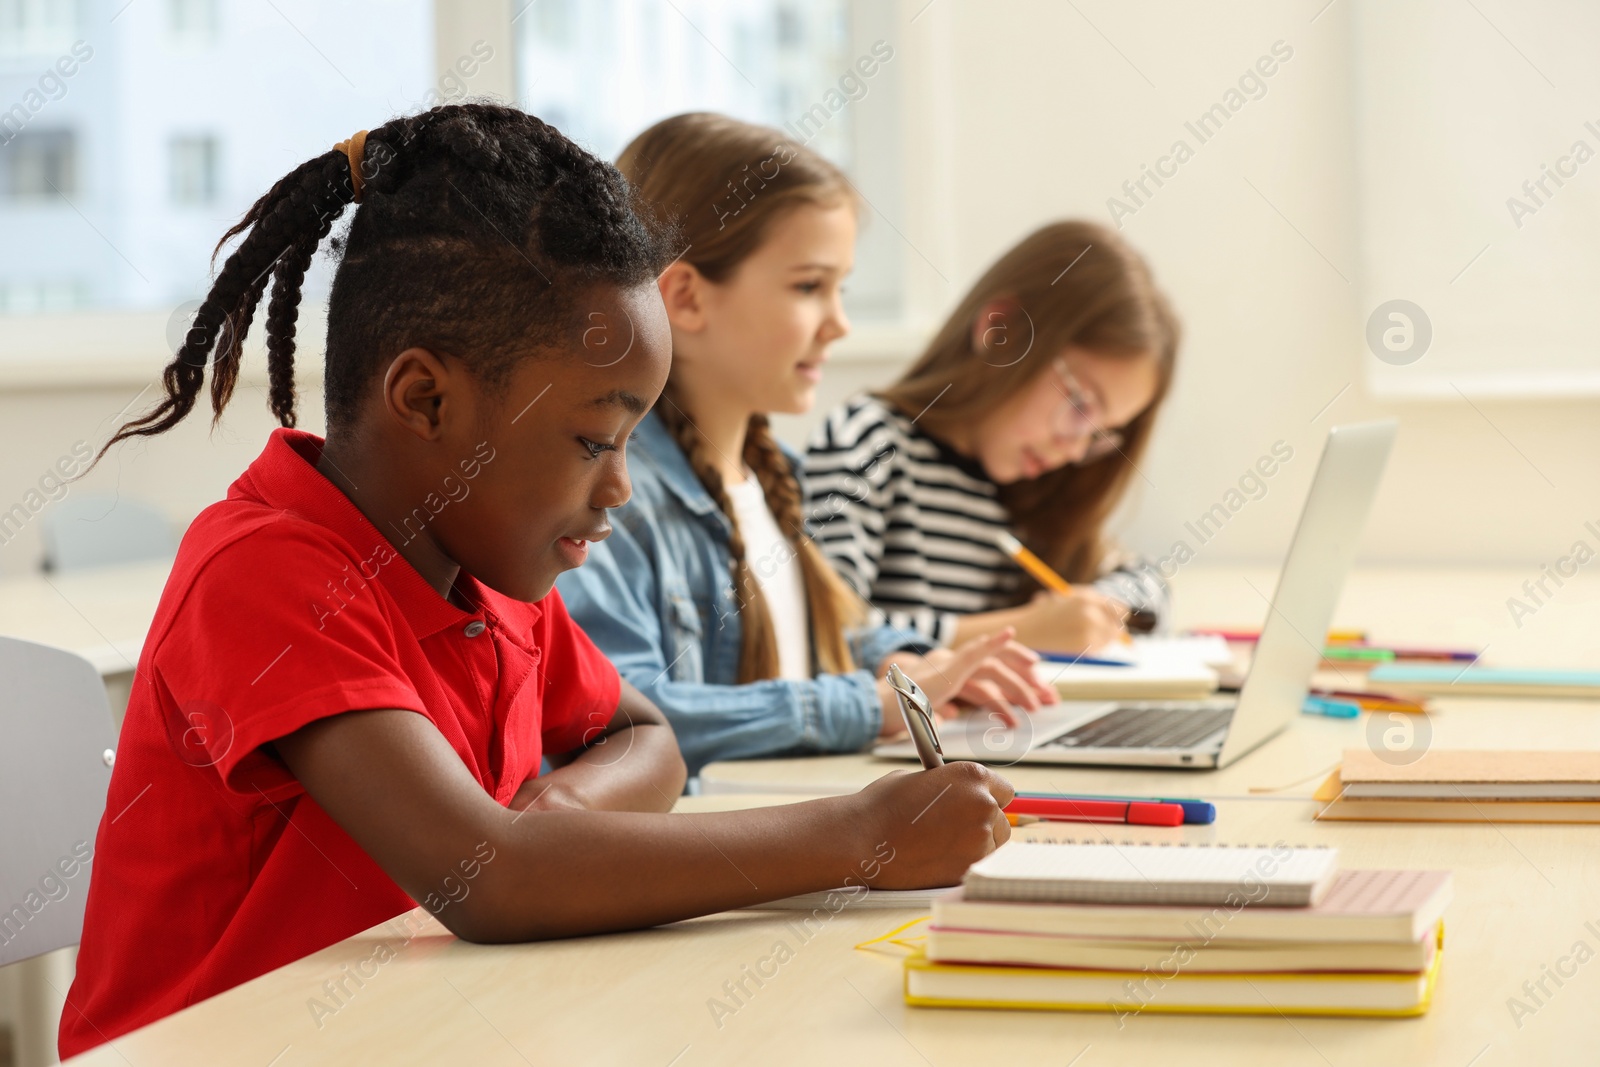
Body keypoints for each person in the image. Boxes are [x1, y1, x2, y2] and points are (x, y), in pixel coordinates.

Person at [58, 105, 1013, 1059]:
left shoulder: (488, 580)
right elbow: (488, 878)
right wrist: (860, 837)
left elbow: (646, 736)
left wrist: (560, 820)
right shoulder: (266, 572)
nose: (622, 485)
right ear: (425, 399)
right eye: (594, 439)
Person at [556, 112, 1055, 779]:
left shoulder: (771, 475)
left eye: (841, 289)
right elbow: (622, 717)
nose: (840, 324)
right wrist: (866, 707)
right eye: (808, 287)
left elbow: (800, 649)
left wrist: (903, 665)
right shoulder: (612, 500)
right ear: (686, 297)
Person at [804, 220, 1179, 654]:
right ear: (1003, 333)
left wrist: (1097, 611)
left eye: (1102, 436)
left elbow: (1151, 585)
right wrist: (1022, 630)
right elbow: (829, 629)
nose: (1076, 451)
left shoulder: (1038, 489)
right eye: (1080, 408)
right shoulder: (866, 444)